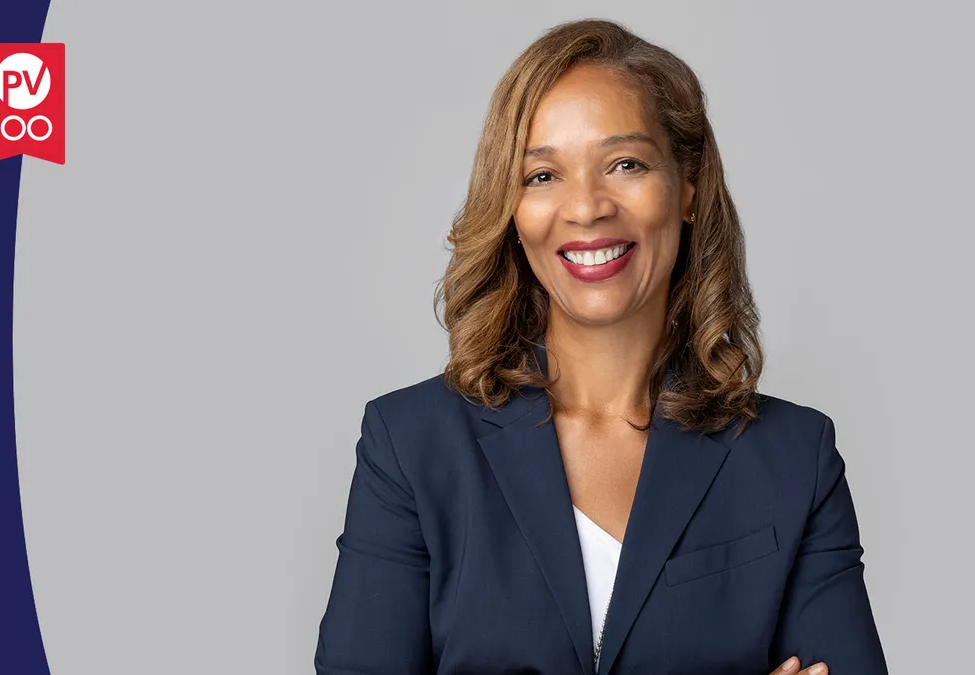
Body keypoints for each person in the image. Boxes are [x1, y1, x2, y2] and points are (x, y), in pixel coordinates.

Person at [314, 17, 888, 675]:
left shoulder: (795, 458)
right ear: (511, 209)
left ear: (688, 186)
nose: (586, 207)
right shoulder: (410, 446)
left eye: (626, 164)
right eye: (542, 176)